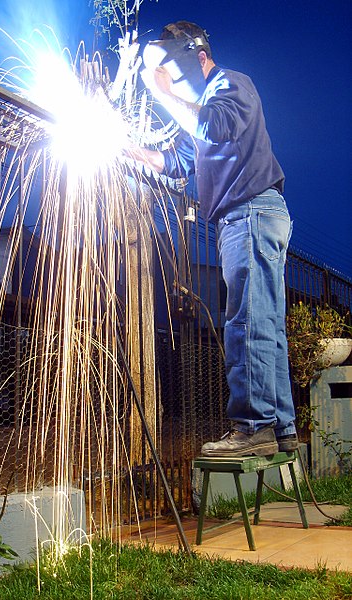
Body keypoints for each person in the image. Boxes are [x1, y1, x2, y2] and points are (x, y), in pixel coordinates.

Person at [126, 20, 298, 457]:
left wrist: (163, 92)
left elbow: (213, 128)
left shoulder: (230, 84)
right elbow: (179, 162)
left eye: (178, 78)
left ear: (201, 58)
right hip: (247, 218)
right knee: (266, 324)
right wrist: (129, 150)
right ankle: (279, 428)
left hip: (252, 213)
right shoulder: (202, 107)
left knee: (246, 320)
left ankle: (253, 426)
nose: (177, 89)